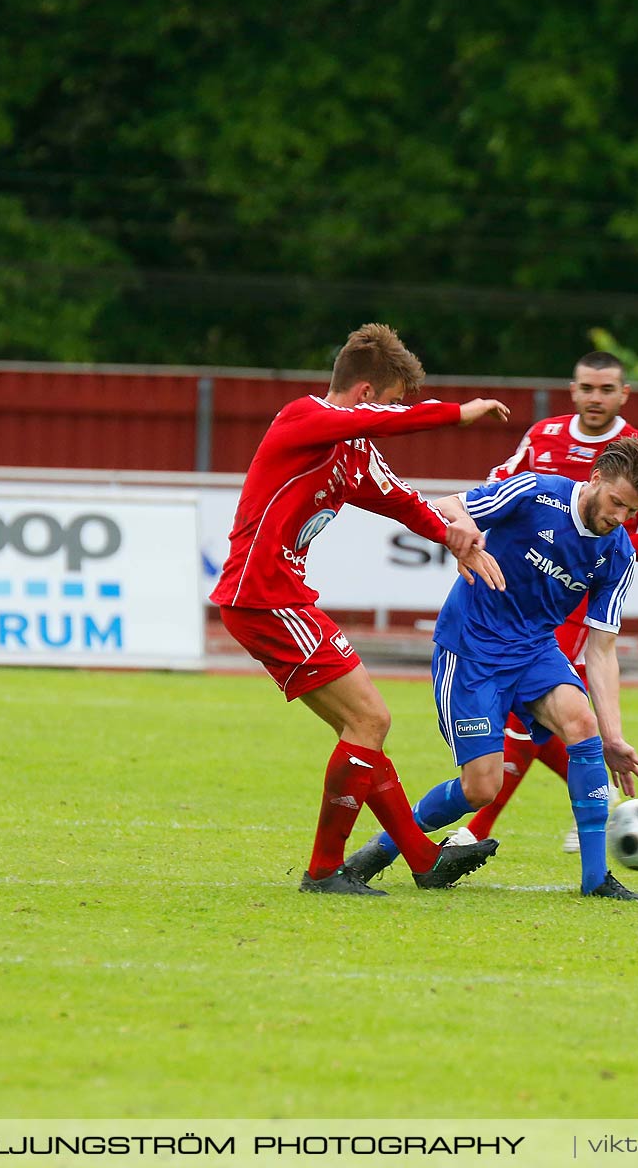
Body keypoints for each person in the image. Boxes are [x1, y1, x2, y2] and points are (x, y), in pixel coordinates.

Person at [211, 322, 513, 896]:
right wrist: (458, 412)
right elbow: (373, 423)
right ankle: (326, 871)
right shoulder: (302, 419)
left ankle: (422, 860)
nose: (400, 412)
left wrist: (454, 538)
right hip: (263, 597)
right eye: (397, 400)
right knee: (370, 720)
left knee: (363, 730)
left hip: (276, 598)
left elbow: (400, 500)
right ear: (369, 395)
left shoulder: (355, 454)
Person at [343, 434, 638, 901]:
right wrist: (464, 540)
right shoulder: (534, 492)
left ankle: (595, 881)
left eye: (632, 511)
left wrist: (613, 737)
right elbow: (450, 505)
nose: (620, 518)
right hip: (471, 648)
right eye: (616, 503)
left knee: (582, 722)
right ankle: (376, 854)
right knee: (480, 789)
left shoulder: (618, 552)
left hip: (534, 650)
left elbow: (602, 649)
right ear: (594, 480)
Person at [467, 351, 638, 850]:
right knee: (544, 712)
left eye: (606, 389)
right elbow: (500, 480)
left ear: (623, 395)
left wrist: (625, 556)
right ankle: (597, 796)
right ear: (573, 390)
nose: (596, 398)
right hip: (529, 588)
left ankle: (473, 832)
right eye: (587, 388)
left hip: (578, 600)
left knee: (524, 709)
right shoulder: (544, 437)